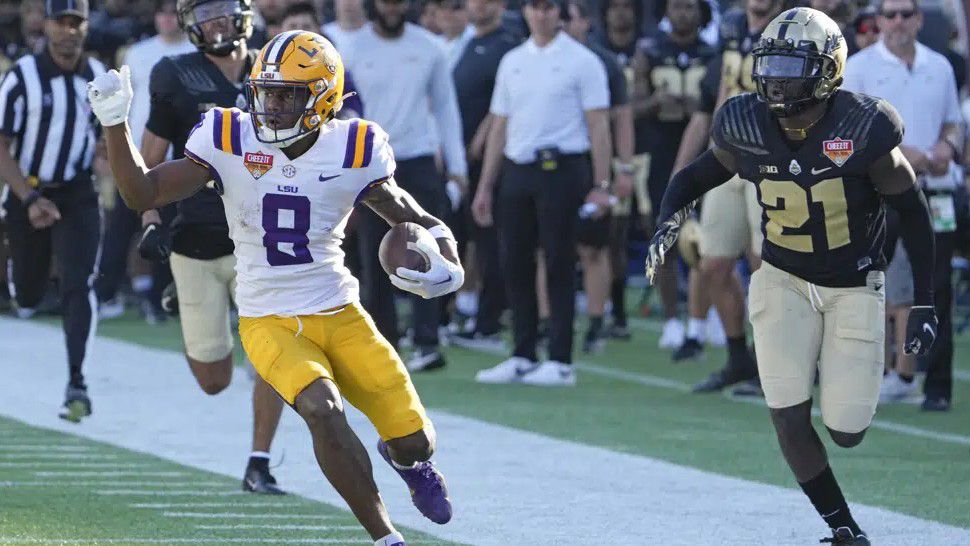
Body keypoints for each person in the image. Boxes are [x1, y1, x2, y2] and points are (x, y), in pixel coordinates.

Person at [90, 29, 462, 546]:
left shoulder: (354, 145)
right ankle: (385, 537)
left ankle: (407, 461)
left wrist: (446, 253)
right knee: (321, 408)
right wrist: (114, 125)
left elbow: (405, 211)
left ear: (325, 97)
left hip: (340, 311)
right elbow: (144, 192)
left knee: (415, 440)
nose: (273, 105)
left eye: (287, 94)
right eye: (267, 91)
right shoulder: (229, 136)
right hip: (268, 318)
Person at [645, 9, 938, 544]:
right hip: (781, 278)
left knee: (846, 431)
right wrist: (667, 219)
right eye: (771, 63)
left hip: (853, 284)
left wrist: (924, 301)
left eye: (792, 65)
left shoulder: (863, 126)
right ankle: (843, 528)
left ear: (827, 70)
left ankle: (832, 363)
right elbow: (694, 176)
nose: (777, 78)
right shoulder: (746, 123)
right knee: (787, 415)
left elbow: (914, 211)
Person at [136, 0, 286, 494]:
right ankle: (190, 303)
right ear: (189, 24)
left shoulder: (277, 67)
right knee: (214, 380)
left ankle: (259, 461)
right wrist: (151, 218)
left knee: (273, 353)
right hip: (194, 241)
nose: (215, 20)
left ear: (243, 11)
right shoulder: (175, 75)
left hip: (259, 241)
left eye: (222, 7)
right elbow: (148, 164)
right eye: (203, 12)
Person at [471, 0, 612, 386]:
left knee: (559, 261)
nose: (542, 15)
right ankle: (522, 351)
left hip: (562, 168)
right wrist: (486, 184)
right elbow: (499, 125)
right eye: (535, 7)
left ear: (560, 14)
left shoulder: (582, 62)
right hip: (518, 168)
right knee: (513, 260)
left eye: (549, 7)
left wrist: (602, 185)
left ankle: (561, 358)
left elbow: (598, 126)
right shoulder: (513, 60)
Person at [842, 0, 964, 412]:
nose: (897, 22)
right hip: (882, 191)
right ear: (878, 21)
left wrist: (947, 146)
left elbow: (953, 121)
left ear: (918, 19)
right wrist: (899, 153)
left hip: (936, 189)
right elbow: (847, 132)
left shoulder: (940, 65)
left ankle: (938, 385)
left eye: (905, 14)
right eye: (890, 14)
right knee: (866, 284)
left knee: (938, 284)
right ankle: (867, 373)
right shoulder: (858, 67)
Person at [342, 0, 468, 373]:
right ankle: (386, 347)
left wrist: (458, 167)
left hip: (419, 160)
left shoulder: (429, 46)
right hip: (369, 165)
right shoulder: (351, 48)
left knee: (429, 249)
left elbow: (446, 108)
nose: (392, 7)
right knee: (374, 257)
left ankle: (428, 340)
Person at [668, 0, 785, 394]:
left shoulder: (793, 27)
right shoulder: (732, 26)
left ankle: (773, 364)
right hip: (728, 158)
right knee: (712, 263)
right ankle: (739, 358)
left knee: (764, 266)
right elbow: (721, 91)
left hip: (769, 161)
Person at [0, 0, 106, 422]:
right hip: (28, 190)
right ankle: (23, 283)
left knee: (79, 282)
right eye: (61, 23)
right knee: (28, 295)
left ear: (85, 28)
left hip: (77, 192)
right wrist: (28, 198)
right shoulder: (22, 77)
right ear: (45, 26)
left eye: (75, 23)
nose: (68, 32)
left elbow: (107, 137)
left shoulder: (98, 77)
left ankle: (77, 379)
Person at [95, 0, 194, 322]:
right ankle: (104, 294)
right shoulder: (136, 53)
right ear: (155, 18)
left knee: (170, 232)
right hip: (135, 156)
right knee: (120, 229)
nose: (167, 19)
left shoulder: (196, 52)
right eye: (161, 13)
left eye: (172, 13)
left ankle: (158, 300)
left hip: (179, 159)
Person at [630, 0, 714, 350]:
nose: (684, 13)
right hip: (660, 151)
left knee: (707, 237)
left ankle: (702, 316)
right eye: (677, 7)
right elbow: (632, 106)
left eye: (690, 7)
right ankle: (670, 320)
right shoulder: (649, 50)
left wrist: (699, 108)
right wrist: (656, 102)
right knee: (663, 237)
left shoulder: (713, 53)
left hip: (706, 155)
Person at [449, 0, 521, 351]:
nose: (478, 5)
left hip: (488, 158)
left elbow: (505, 103)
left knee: (490, 240)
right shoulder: (465, 43)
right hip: (460, 159)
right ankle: (467, 311)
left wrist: (483, 136)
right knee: (463, 237)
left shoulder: (508, 45)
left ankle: (490, 319)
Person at [564, 0, 634, 353]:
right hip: (557, 167)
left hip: (595, 166)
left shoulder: (602, 62)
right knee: (548, 249)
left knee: (595, 247)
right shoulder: (538, 60)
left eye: (569, 18)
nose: (563, 26)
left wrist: (623, 168)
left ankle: (596, 320)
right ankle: (550, 323)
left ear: (585, 23)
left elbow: (621, 117)